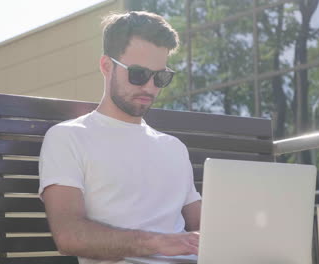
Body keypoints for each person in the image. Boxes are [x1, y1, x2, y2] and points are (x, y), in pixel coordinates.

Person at [39, 11, 202, 264]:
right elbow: (69, 235)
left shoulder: (174, 147)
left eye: (161, 77)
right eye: (138, 74)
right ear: (107, 66)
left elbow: (208, 227)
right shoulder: (68, 138)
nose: (149, 87)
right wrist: (159, 243)